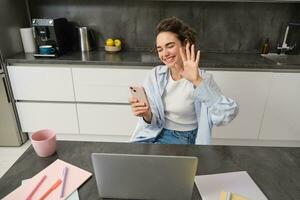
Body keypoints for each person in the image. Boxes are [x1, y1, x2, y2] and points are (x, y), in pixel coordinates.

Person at [129, 17, 238, 145]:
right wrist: (146, 115)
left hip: (185, 139)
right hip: (154, 134)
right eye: (160, 49)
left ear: (185, 44)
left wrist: (197, 81)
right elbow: (153, 123)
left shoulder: (203, 79)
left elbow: (228, 113)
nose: (164, 54)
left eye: (170, 46)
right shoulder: (155, 76)